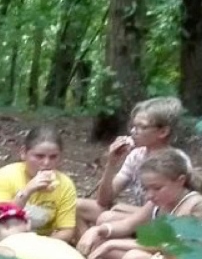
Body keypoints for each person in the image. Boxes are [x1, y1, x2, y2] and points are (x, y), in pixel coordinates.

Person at [75, 149, 202, 259]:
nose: (149, 195)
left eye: (156, 188)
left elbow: (166, 246)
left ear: (180, 181)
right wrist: (97, 230)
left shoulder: (192, 205)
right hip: (161, 258)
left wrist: (112, 243)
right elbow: (128, 224)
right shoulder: (158, 202)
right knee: (97, 243)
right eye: (146, 189)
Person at [78, 96, 183, 228]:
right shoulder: (136, 156)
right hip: (138, 215)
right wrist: (111, 163)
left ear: (163, 132)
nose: (133, 131)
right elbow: (103, 201)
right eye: (133, 126)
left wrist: (121, 210)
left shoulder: (175, 161)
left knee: (108, 218)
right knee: (77, 206)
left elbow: (163, 212)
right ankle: (84, 246)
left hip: (163, 222)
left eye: (142, 127)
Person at [0, 126, 79, 244]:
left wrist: (39, 246)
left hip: (45, 244)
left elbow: (66, 230)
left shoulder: (65, 184)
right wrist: (28, 191)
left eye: (53, 157)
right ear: (23, 153)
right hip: (6, 241)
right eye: (39, 156)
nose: (46, 163)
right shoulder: (5, 176)